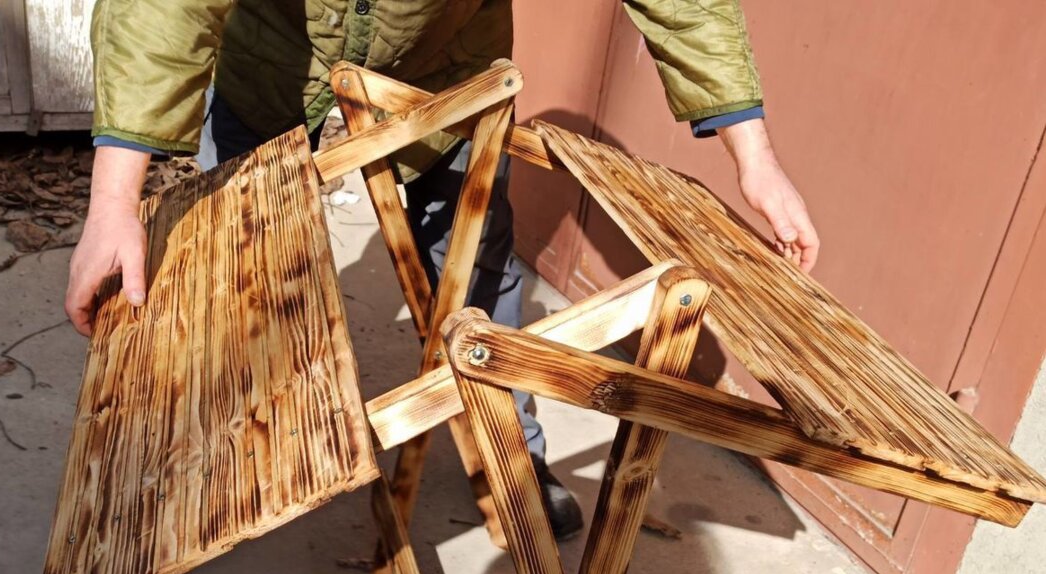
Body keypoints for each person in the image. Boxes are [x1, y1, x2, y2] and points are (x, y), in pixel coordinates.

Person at [66, 0, 819, 540]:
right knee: (235, 270)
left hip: (447, 68)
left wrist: (754, 156)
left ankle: (508, 451)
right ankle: (219, 455)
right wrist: (113, 202)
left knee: (475, 267)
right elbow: (157, 12)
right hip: (271, 65)